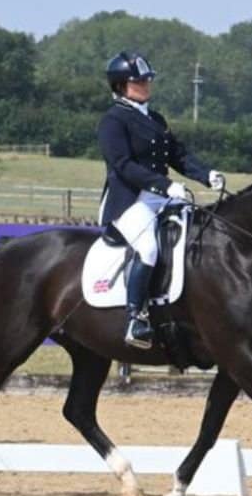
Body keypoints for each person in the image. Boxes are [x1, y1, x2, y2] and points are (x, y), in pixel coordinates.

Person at [97, 51, 226, 349]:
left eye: (147, 80)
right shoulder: (113, 121)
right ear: (120, 86)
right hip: (129, 202)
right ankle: (135, 319)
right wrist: (164, 185)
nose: (146, 85)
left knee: (197, 234)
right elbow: (123, 165)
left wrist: (207, 175)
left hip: (160, 198)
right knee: (149, 247)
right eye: (138, 81)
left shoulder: (155, 119)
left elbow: (177, 155)